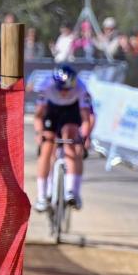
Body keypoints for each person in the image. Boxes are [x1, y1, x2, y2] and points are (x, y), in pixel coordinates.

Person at [33, 64, 92, 212]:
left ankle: (71, 191)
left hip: (71, 112)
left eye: (68, 89)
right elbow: (38, 116)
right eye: (62, 89)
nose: (65, 92)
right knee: (47, 147)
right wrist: (40, 133)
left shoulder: (81, 87)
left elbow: (86, 118)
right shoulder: (46, 86)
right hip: (51, 111)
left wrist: (85, 136)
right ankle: (41, 196)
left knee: (71, 139)